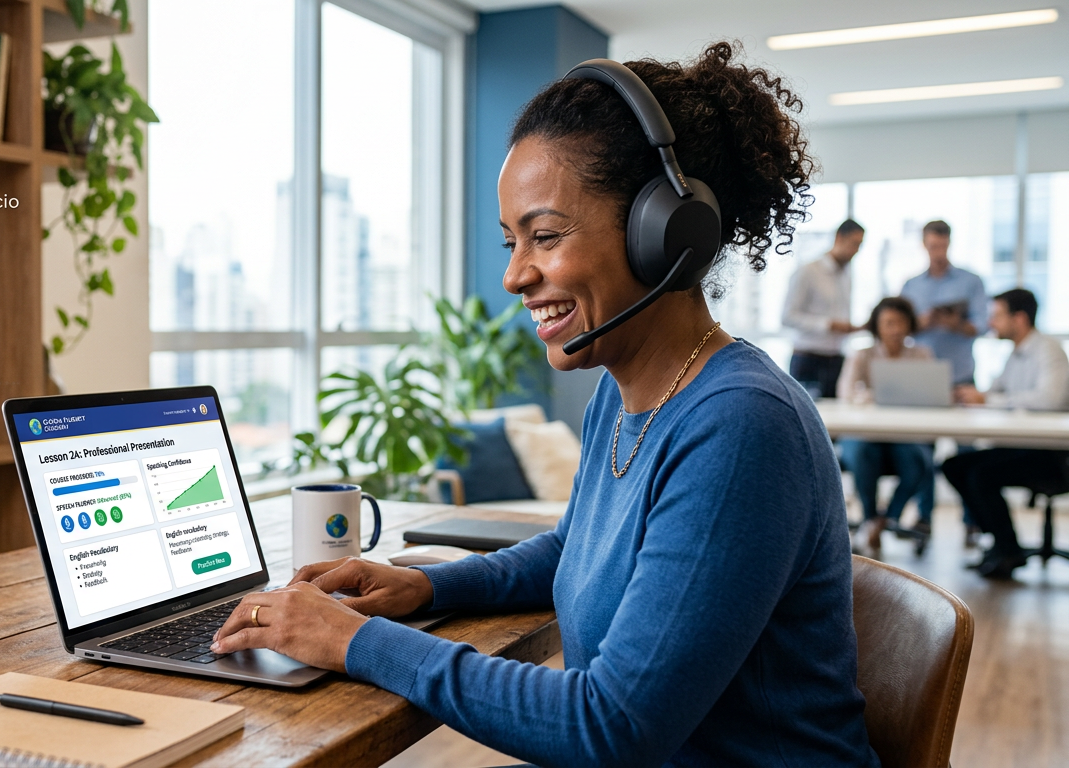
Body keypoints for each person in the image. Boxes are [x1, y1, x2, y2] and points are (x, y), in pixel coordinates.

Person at [210, 43, 877, 766]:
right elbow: (577, 549)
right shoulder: (623, 397)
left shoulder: (743, 424)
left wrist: (354, 641)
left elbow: (609, 726)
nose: (514, 275)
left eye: (545, 235)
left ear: (664, 233)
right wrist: (421, 587)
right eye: (511, 241)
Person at [943, 288, 1069, 579]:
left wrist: (987, 400)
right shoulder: (1016, 353)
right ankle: (999, 542)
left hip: (1051, 454)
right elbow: (997, 392)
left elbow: (1049, 400)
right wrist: (974, 395)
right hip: (1023, 445)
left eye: (997, 316)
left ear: (1020, 318)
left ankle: (1008, 550)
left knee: (980, 475)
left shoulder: (1047, 350)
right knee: (954, 466)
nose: (991, 324)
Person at [836, 297, 935, 554]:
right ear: (877, 327)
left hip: (904, 434)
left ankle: (885, 519)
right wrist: (871, 397)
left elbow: (931, 397)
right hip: (866, 433)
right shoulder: (862, 354)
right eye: (889, 323)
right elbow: (845, 393)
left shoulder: (921, 355)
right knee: (861, 453)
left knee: (918, 463)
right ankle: (870, 517)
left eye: (901, 323)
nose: (895, 330)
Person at [899, 220, 987, 386]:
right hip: (920, 374)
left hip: (960, 374)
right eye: (934, 247)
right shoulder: (911, 286)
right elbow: (899, 329)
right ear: (924, 245)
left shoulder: (971, 281)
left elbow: (982, 326)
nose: (939, 253)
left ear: (949, 244)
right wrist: (921, 323)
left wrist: (956, 325)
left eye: (943, 246)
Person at [784, 219, 864, 398]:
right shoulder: (808, 271)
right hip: (808, 360)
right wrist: (829, 325)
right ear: (839, 237)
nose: (856, 250)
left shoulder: (847, 275)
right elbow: (787, 317)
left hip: (836, 359)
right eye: (854, 243)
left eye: (860, 245)